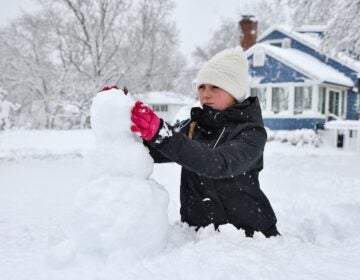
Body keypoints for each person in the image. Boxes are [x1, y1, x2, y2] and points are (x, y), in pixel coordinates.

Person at [130, 47, 280, 238]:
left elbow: (217, 164)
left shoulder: (251, 132)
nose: (206, 94)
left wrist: (162, 134)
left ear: (234, 90)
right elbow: (156, 150)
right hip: (198, 237)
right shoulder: (194, 126)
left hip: (249, 238)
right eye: (202, 87)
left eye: (215, 87)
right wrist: (123, 112)